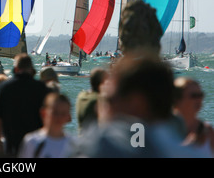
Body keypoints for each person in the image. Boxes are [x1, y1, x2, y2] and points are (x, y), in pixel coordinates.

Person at [75, 55, 209, 158]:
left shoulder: (101, 145)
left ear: (136, 102)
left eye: (111, 100)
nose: (100, 107)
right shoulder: (190, 149)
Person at [0, 53, 50, 156]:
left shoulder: (4, 88)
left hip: (12, 142)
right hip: (37, 143)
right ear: (31, 69)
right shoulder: (41, 88)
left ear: (16, 69)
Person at [18, 92, 76, 158]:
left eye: (63, 113)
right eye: (55, 113)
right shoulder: (32, 142)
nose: (59, 117)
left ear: (69, 117)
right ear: (44, 113)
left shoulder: (74, 144)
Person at [174, 77, 214, 156]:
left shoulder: (207, 131)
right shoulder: (161, 128)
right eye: (194, 96)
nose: (198, 99)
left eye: (200, 95)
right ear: (176, 98)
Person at [75, 67, 108, 134]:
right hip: (95, 140)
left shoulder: (81, 96)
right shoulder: (98, 100)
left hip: (82, 137)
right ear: (102, 82)